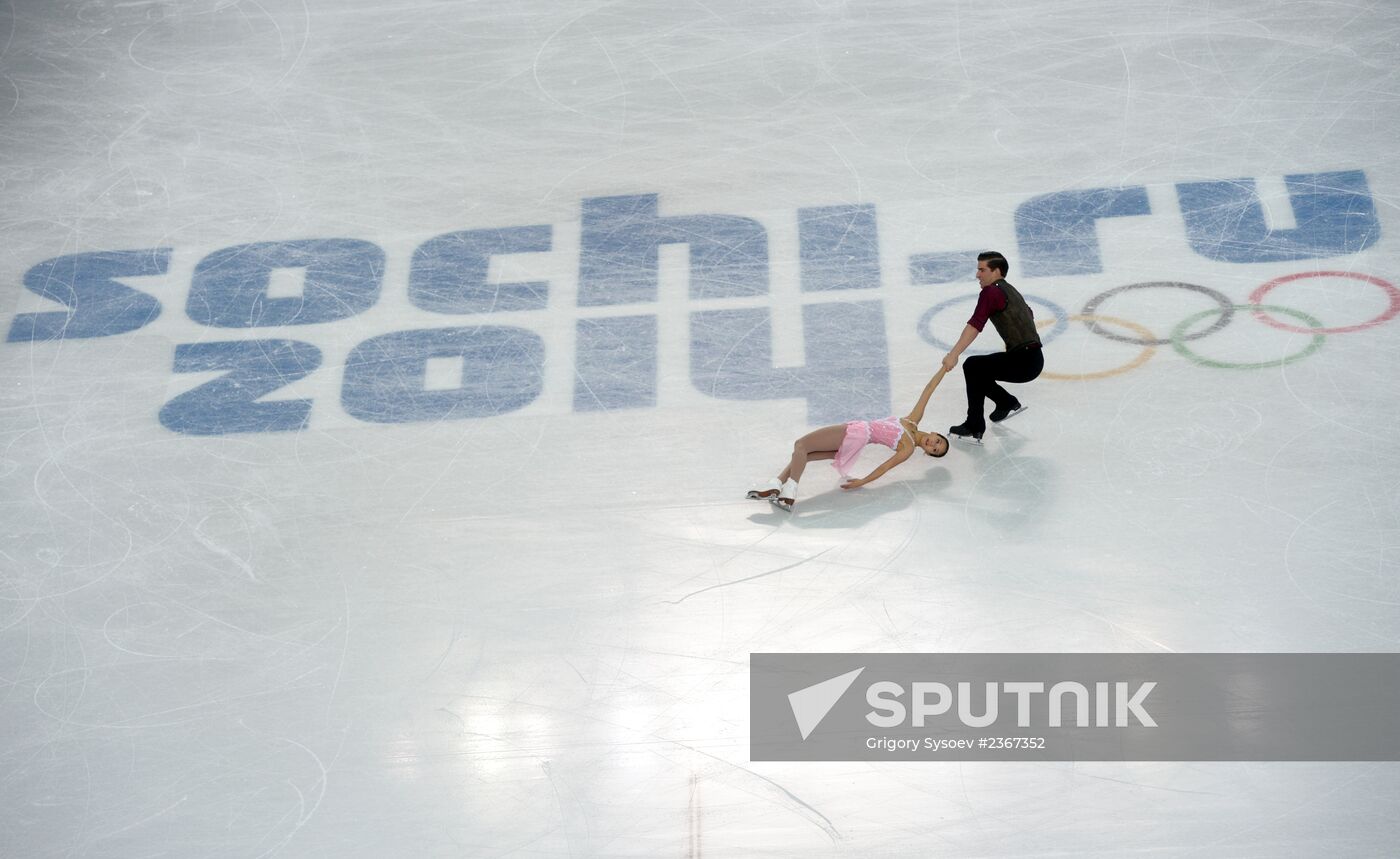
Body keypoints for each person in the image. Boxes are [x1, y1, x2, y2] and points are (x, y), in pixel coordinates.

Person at [747, 369, 951, 512]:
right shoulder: (912, 421)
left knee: (801, 445)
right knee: (805, 455)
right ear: (934, 433)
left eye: (934, 450)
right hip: (859, 439)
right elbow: (929, 389)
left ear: (927, 453)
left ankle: (789, 492)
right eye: (937, 442)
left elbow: (885, 467)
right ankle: (776, 484)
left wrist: (863, 481)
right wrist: (944, 368)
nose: (933, 445)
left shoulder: (907, 448)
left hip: (858, 433)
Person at [940, 251, 1043, 443]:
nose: (978, 275)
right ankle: (1006, 402)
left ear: (996, 271)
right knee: (978, 370)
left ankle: (974, 425)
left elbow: (975, 325)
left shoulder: (991, 292)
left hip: (1024, 361)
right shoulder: (1010, 290)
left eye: (982, 270)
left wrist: (953, 354)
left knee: (973, 366)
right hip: (1033, 359)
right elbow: (1028, 313)